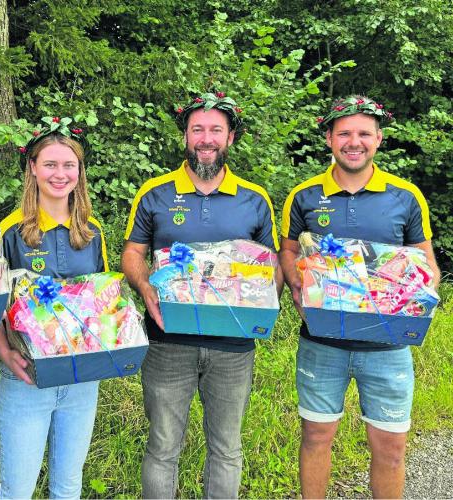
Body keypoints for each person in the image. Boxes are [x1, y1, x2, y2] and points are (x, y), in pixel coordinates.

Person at [279, 95, 441, 499]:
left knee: (391, 447)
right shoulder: (303, 195)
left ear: (379, 139)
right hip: (322, 342)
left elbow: (426, 263)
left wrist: (424, 295)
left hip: (388, 344)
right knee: (316, 436)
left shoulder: (405, 196)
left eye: (364, 133)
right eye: (345, 133)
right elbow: (288, 251)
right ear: (330, 139)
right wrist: (297, 285)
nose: (355, 141)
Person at [121, 92, 281, 498]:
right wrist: (144, 286)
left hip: (233, 346)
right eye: (197, 130)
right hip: (167, 341)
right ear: (185, 137)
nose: (206, 139)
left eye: (215, 130)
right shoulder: (154, 193)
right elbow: (133, 254)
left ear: (230, 138)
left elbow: (273, 267)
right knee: (162, 448)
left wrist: (259, 302)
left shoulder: (255, 199)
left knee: (226, 450)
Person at [0, 118, 108, 499]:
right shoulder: (9, 231)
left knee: (68, 487)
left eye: (68, 165)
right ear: (33, 169)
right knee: (16, 491)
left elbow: (104, 299)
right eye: (51, 165)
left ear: (79, 171)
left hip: (81, 380)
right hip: (28, 379)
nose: (60, 174)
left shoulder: (92, 231)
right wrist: (5, 351)